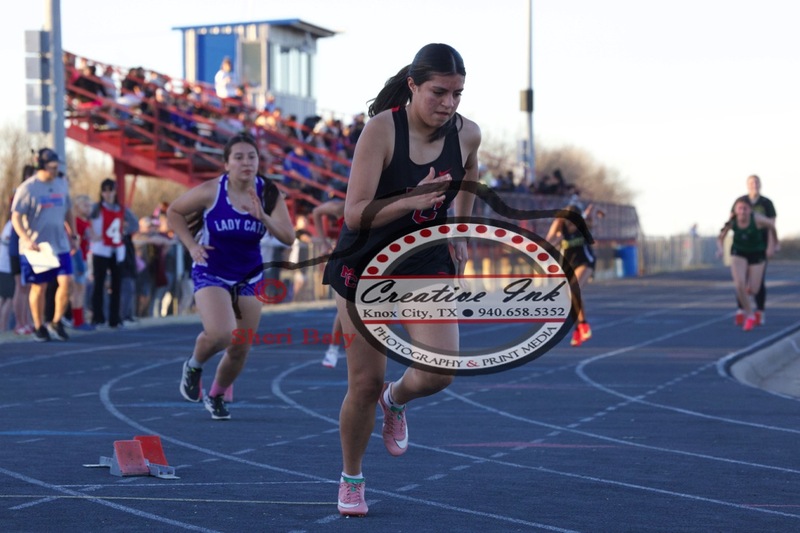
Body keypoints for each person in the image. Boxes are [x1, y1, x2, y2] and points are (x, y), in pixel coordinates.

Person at [321, 43, 481, 516]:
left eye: (457, 94)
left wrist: (462, 229)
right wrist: (412, 201)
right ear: (412, 86)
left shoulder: (467, 133)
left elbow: (470, 173)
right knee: (364, 383)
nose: (448, 104)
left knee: (439, 371)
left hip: (424, 257)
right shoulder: (381, 130)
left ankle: (398, 400)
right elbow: (354, 213)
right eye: (438, 92)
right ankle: (352, 477)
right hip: (365, 261)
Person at [168, 133, 295, 420]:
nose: (246, 162)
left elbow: (288, 237)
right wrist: (191, 245)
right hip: (211, 271)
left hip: (249, 275)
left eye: (251, 156)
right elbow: (174, 211)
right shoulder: (212, 191)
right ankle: (194, 365)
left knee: (241, 347)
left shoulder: (268, 193)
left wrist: (263, 216)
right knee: (222, 333)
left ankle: (215, 394)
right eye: (238, 157)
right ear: (226, 164)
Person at [10, 148, 77, 342]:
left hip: (61, 244)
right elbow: (16, 217)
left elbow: (68, 211)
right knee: (40, 287)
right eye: (51, 167)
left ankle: (56, 321)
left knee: (67, 282)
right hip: (38, 247)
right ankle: (39, 326)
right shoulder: (28, 188)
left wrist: (73, 234)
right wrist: (26, 238)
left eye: (57, 167)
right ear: (42, 166)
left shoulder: (62, 184)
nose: (55, 170)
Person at [717, 198, 777, 332]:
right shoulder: (732, 222)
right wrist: (720, 249)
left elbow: (772, 226)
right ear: (735, 210)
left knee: (755, 289)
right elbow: (720, 237)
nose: (742, 211)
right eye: (740, 208)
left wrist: (773, 244)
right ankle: (749, 314)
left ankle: (750, 289)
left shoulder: (757, 219)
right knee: (739, 285)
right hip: (739, 252)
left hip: (757, 253)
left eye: (745, 208)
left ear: (750, 210)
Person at [546, 204, 602, 347]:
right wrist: (557, 230)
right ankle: (578, 329)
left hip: (585, 262)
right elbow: (549, 241)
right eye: (568, 221)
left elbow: (595, 222)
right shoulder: (560, 227)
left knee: (573, 288)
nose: (571, 225)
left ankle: (583, 324)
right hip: (568, 266)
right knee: (570, 297)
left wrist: (596, 213)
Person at [730, 175, 777, 326]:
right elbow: (732, 221)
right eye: (751, 183)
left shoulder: (766, 203)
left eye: (756, 182)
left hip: (760, 245)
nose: (754, 185)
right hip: (743, 245)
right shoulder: (740, 201)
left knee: (757, 282)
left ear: (760, 185)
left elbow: (771, 226)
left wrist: (772, 245)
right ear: (747, 185)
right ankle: (741, 309)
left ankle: (760, 311)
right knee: (740, 280)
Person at [312, 198, 346, 368]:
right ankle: (333, 349)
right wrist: (323, 241)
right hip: (348, 259)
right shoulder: (342, 206)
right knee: (344, 309)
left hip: (373, 260)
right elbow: (317, 211)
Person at [89, 179, 126, 328]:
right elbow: (85, 220)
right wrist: (92, 234)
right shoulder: (97, 208)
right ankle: (97, 317)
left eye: (111, 190)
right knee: (99, 283)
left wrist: (125, 230)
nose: (108, 194)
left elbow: (133, 223)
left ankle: (115, 319)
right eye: (105, 190)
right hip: (100, 249)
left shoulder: (121, 209)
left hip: (116, 250)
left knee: (117, 285)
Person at [69, 194, 94, 331]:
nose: (88, 208)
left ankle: (80, 319)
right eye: (85, 205)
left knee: (81, 289)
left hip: (84, 257)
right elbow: (76, 242)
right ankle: (77, 320)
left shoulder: (86, 222)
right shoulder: (76, 221)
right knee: (78, 289)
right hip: (77, 257)